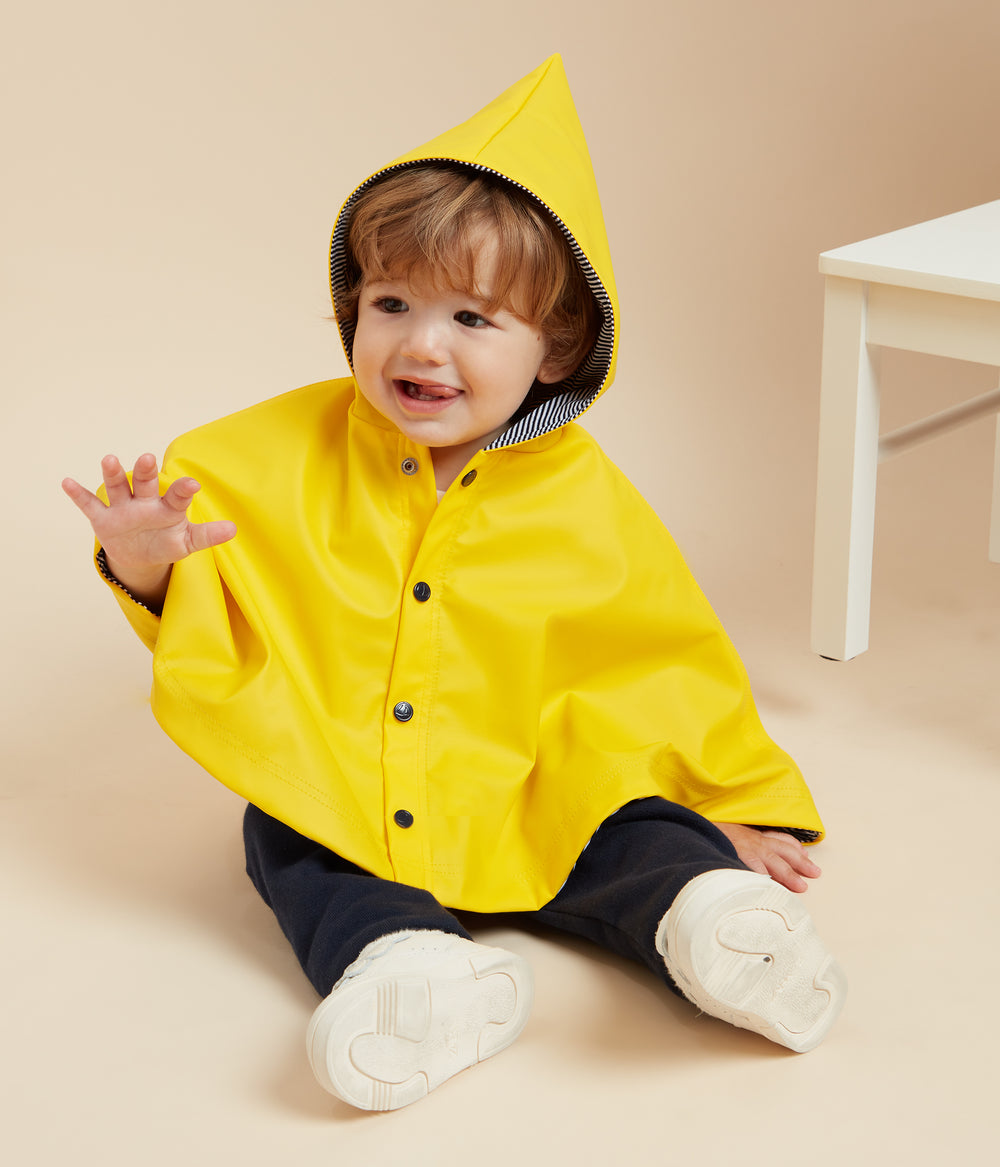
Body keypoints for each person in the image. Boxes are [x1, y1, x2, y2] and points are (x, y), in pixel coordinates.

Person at [62, 56, 846, 1112]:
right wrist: (144, 555)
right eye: (391, 303)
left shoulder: (585, 500)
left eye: (473, 319)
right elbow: (215, 615)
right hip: (346, 778)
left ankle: (708, 920)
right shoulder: (257, 460)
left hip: (527, 782)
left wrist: (722, 813)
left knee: (625, 820)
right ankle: (410, 970)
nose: (421, 344)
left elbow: (658, 659)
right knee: (286, 834)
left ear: (555, 350)